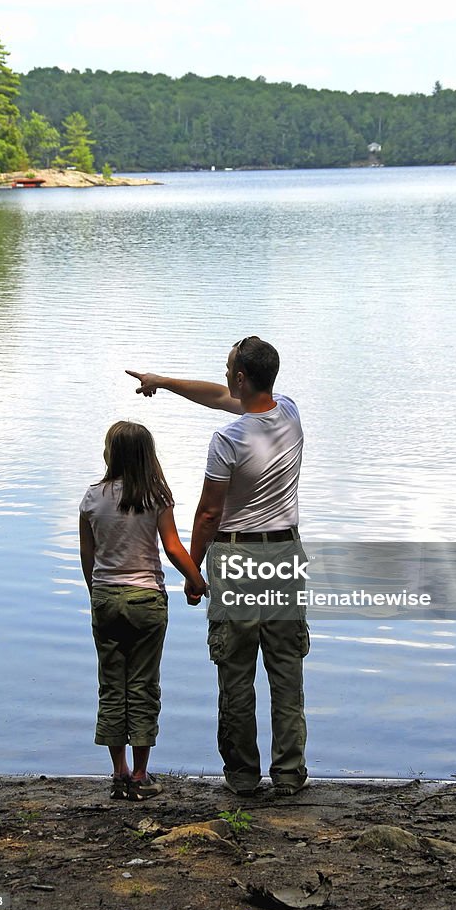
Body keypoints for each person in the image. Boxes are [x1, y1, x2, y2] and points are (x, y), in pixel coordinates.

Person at [126, 337, 309, 797]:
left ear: (242, 377)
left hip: (238, 559)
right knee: (286, 668)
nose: (225, 375)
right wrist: (163, 383)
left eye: (229, 368)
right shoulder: (288, 411)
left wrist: (193, 570)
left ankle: (244, 777)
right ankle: (289, 775)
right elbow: (218, 396)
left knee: (236, 668)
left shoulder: (228, 440)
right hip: (285, 556)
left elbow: (208, 514)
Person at [79, 420, 206, 801]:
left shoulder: (91, 498)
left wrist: (97, 593)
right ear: (147, 456)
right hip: (147, 601)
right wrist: (196, 579)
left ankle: (117, 773)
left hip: (106, 598)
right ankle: (139, 775)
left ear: (110, 453)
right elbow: (171, 547)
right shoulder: (156, 495)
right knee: (143, 686)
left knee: (111, 685)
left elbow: (89, 557)